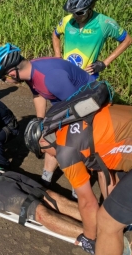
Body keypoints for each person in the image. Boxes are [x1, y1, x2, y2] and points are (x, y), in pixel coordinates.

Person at [24, 104, 132, 254]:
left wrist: (89, 237)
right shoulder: (73, 123)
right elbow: (104, 175)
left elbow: (88, 203)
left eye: (42, 153)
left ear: (43, 142)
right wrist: (114, 209)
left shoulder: (65, 150)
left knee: (107, 223)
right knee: (113, 209)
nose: (49, 156)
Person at [0, 43, 96, 187]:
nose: (4, 82)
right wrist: (41, 122)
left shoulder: (50, 77)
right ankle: (46, 179)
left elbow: (76, 108)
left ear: (12, 73)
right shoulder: (29, 71)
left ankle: (80, 186)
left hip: (87, 106)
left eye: (3, 78)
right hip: (67, 103)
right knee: (46, 136)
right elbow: (38, 94)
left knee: (70, 144)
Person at [52, 0, 131, 79]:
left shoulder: (104, 23)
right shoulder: (67, 20)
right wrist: (57, 55)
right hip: (66, 74)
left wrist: (105, 63)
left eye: (79, 12)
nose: (75, 16)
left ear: (92, 6)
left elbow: (127, 40)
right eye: (73, 12)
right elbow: (55, 34)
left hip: (87, 78)